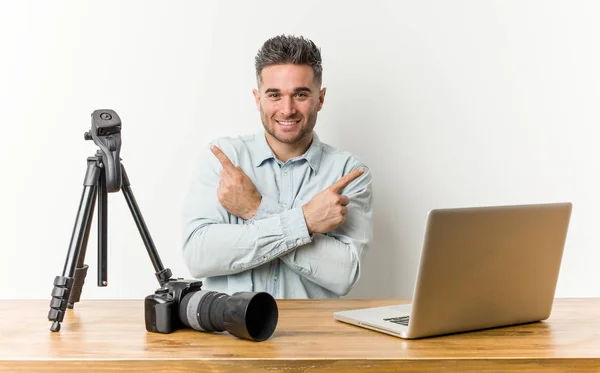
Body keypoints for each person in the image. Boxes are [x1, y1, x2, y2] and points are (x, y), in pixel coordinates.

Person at [182, 34, 373, 298]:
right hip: (230, 334)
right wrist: (305, 221)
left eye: (301, 94)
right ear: (257, 98)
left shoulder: (348, 173)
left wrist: (254, 209)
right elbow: (199, 256)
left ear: (320, 98)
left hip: (313, 336)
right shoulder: (224, 159)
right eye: (274, 95)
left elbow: (344, 274)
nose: (287, 109)